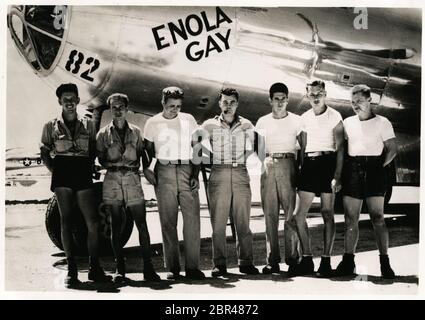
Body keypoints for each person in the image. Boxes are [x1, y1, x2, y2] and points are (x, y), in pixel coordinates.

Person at [40, 83, 111, 288]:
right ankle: (72, 271)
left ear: (78, 101)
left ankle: (94, 268)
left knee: (93, 222)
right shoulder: (50, 126)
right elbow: (45, 150)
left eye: (73, 99)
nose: (70, 103)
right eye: (65, 99)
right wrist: (54, 170)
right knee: (66, 222)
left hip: (81, 172)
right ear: (60, 102)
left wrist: (90, 167)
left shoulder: (88, 125)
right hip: (62, 173)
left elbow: (92, 150)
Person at [143, 86, 205, 280]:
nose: (175, 109)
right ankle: (173, 268)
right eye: (171, 106)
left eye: (178, 106)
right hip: (164, 171)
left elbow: (197, 148)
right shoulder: (153, 123)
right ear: (162, 102)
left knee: (192, 220)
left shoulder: (188, 120)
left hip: (187, 169)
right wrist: (148, 170)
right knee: (168, 221)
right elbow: (147, 150)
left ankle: (193, 267)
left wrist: (195, 174)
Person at [96, 93, 160, 282]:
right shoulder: (102, 135)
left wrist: (147, 170)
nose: (117, 110)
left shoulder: (137, 132)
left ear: (127, 109)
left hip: (132, 177)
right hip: (113, 178)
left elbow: (145, 155)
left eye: (121, 107)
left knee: (141, 223)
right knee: (116, 224)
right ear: (110, 109)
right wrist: (112, 166)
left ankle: (148, 267)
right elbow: (100, 156)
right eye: (114, 107)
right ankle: (120, 269)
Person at [335, 84, 397, 279]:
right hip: (353, 170)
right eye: (353, 102)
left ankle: (384, 263)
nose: (356, 105)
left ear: (370, 100)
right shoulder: (348, 123)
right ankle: (347, 261)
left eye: (359, 101)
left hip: (375, 170)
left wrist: (379, 167)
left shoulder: (383, 122)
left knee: (378, 218)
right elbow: (341, 149)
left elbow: (392, 149)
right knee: (350, 219)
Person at [201, 87, 259, 277]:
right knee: (218, 222)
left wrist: (244, 156)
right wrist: (210, 158)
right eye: (225, 102)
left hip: (240, 172)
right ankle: (219, 264)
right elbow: (195, 144)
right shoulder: (209, 125)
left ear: (237, 104)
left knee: (243, 220)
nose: (228, 106)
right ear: (219, 103)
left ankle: (246, 262)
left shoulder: (247, 125)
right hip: (219, 173)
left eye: (232, 102)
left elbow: (258, 145)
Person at [292, 80, 344, 277]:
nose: (316, 97)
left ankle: (326, 260)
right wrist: (301, 169)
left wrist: (337, 176)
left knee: (327, 213)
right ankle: (306, 258)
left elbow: (340, 149)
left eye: (319, 93)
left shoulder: (335, 116)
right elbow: (303, 147)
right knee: (298, 216)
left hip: (328, 163)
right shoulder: (303, 118)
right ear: (307, 95)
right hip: (310, 165)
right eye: (312, 93)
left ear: (325, 95)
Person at [254, 83, 303, 275]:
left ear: (288, 100)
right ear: (270, 100)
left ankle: (293, 260)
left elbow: (303, 148)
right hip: (269, 164)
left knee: (290, 214)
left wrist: (297, 169)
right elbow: (258, 148)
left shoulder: (297, 121)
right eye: (276, 98)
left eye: (283, 98)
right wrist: (266, 164)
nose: (280, 102)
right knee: (270, 215)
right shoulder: (262, 121)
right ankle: (272, 261)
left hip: (288, 162)